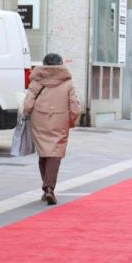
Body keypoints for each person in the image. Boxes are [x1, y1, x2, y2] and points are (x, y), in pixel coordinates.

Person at [23, 53, 80, 206]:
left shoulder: (37, 80)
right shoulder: (67, 82)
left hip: (39, 119)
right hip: (60, 120)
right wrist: (72, 121)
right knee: (55, 154)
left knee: (43, 152)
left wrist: (26, 115)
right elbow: (74, 106)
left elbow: (28, 103)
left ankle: (46, 188)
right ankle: (49, 188)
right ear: (60, 64)